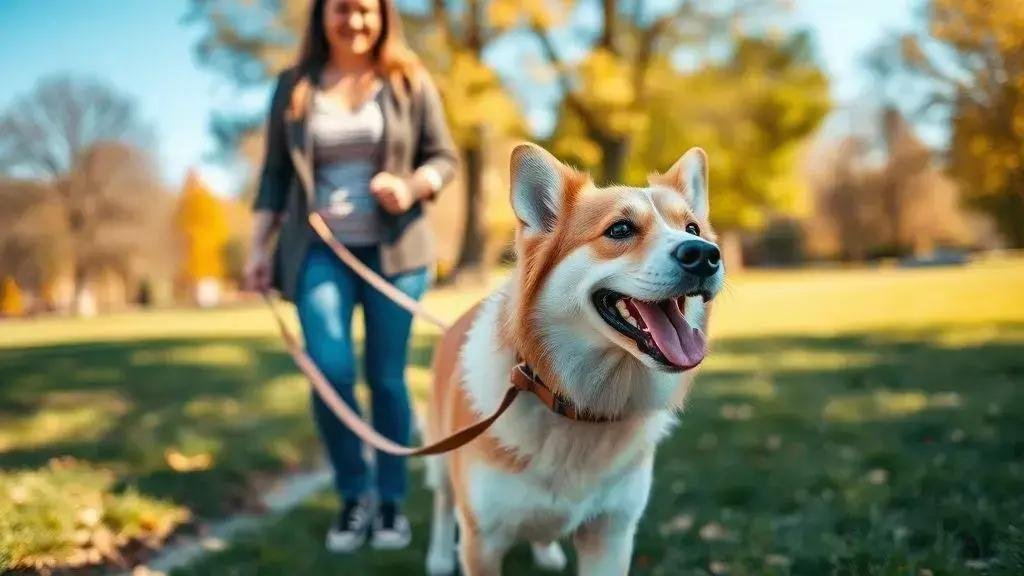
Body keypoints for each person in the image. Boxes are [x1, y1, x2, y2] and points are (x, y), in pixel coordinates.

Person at [243, 0, 458, 553]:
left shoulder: (409, 79)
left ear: (384, 15)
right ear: (322, 16)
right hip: (316, 249)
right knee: (330, 372)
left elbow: (444, 158)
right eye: (342, 9)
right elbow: (271, 176)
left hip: (397, 251)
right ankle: (353, 495)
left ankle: (390, 503)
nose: (354, 21)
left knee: (386, 378)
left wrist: (411, 187)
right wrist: (256, 248)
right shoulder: (293, 86)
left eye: (366, 10)